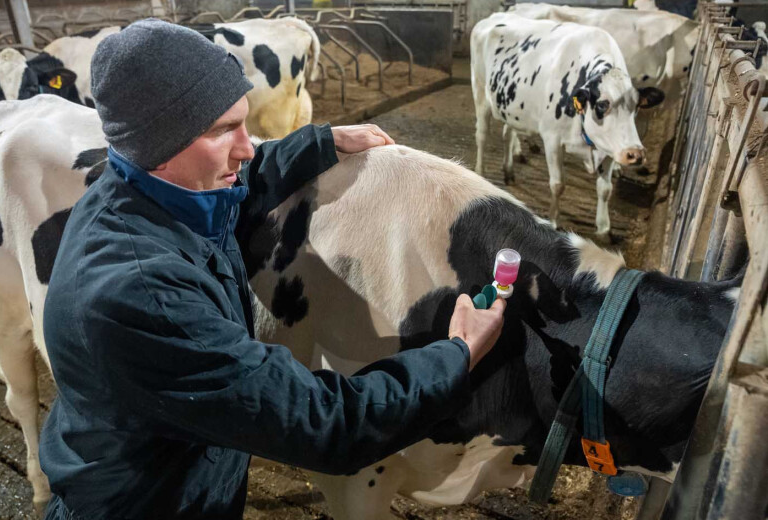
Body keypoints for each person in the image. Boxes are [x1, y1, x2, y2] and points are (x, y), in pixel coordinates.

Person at [39, 19, 506, 519]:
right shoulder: (139, 295)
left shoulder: (139, 190)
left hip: (185, 479)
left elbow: (242, 179)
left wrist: (318, 143)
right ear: (161, 146)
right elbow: (323, 424)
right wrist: (457, 356)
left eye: (243, 122)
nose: (246, 146)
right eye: (223, 131)